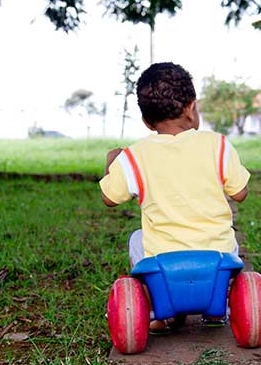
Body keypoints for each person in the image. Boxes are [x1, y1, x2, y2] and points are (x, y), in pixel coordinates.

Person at [99, 62, 250, 333]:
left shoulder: (135, 156)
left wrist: (112, 164)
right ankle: (216, 307)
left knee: (136, 239)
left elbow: (109, 197)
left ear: (146, 121)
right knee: (229, 236)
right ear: (191, 107)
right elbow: (240, 193)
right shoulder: (218, 145)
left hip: (162, 262)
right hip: (217, 256)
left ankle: (159, 312)